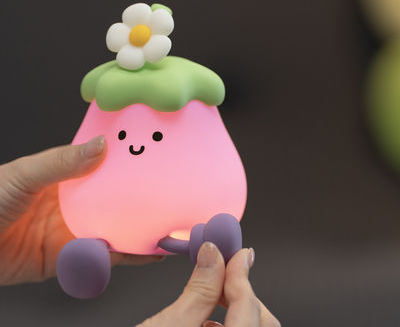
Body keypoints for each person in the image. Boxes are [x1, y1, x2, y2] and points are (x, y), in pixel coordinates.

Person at [0, 136, 280, 326]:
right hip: (102, 223)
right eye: (122, 134)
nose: (136, 143)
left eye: (157, 136)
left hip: (179, 224)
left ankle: (201, 238)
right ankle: (88, 253)